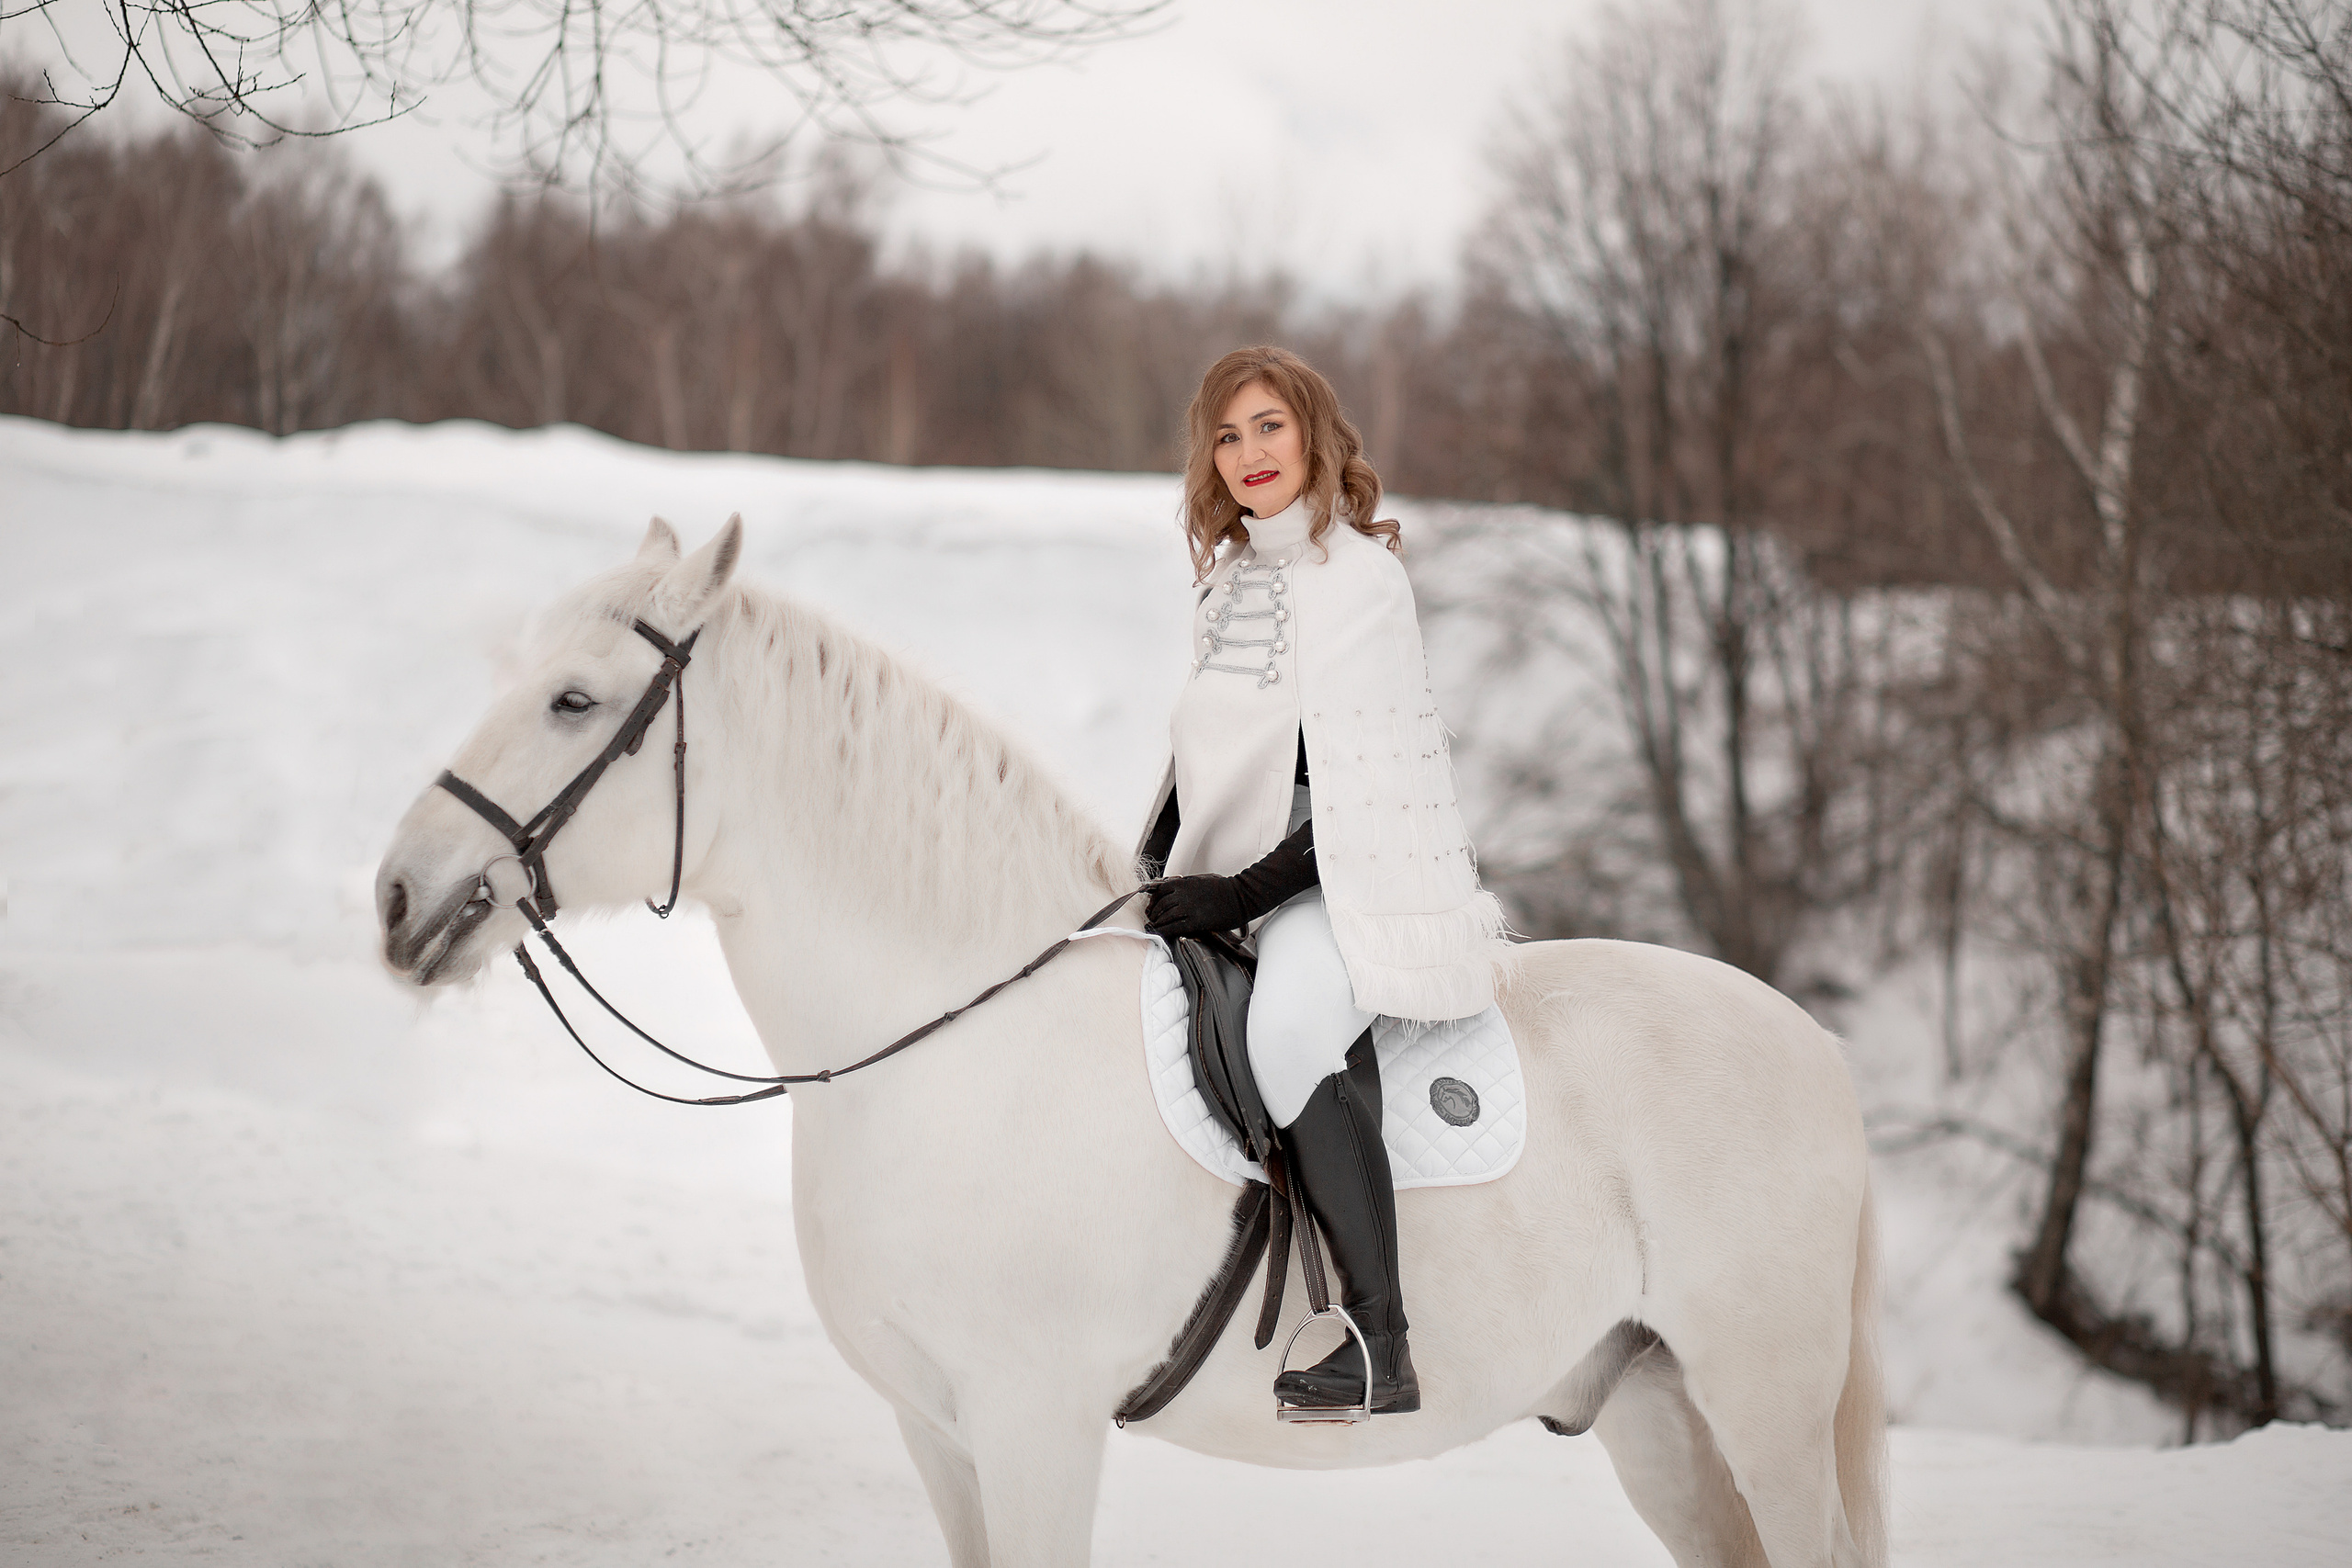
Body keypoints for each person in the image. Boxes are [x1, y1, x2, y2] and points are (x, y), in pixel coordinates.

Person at [1137, 345, 1507, 1416]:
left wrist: (1242, 898)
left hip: (1342, 882)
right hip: (1229, 872)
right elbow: (1203, 758)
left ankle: (1378, 1341)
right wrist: (1149, 870)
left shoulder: (1363, 578)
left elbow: (1363, 790)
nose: (1248, 452)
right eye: (1226, 433)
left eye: (1268, 426)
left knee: (1292, 1031)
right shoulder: (1225, 584)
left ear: (1312, 435)